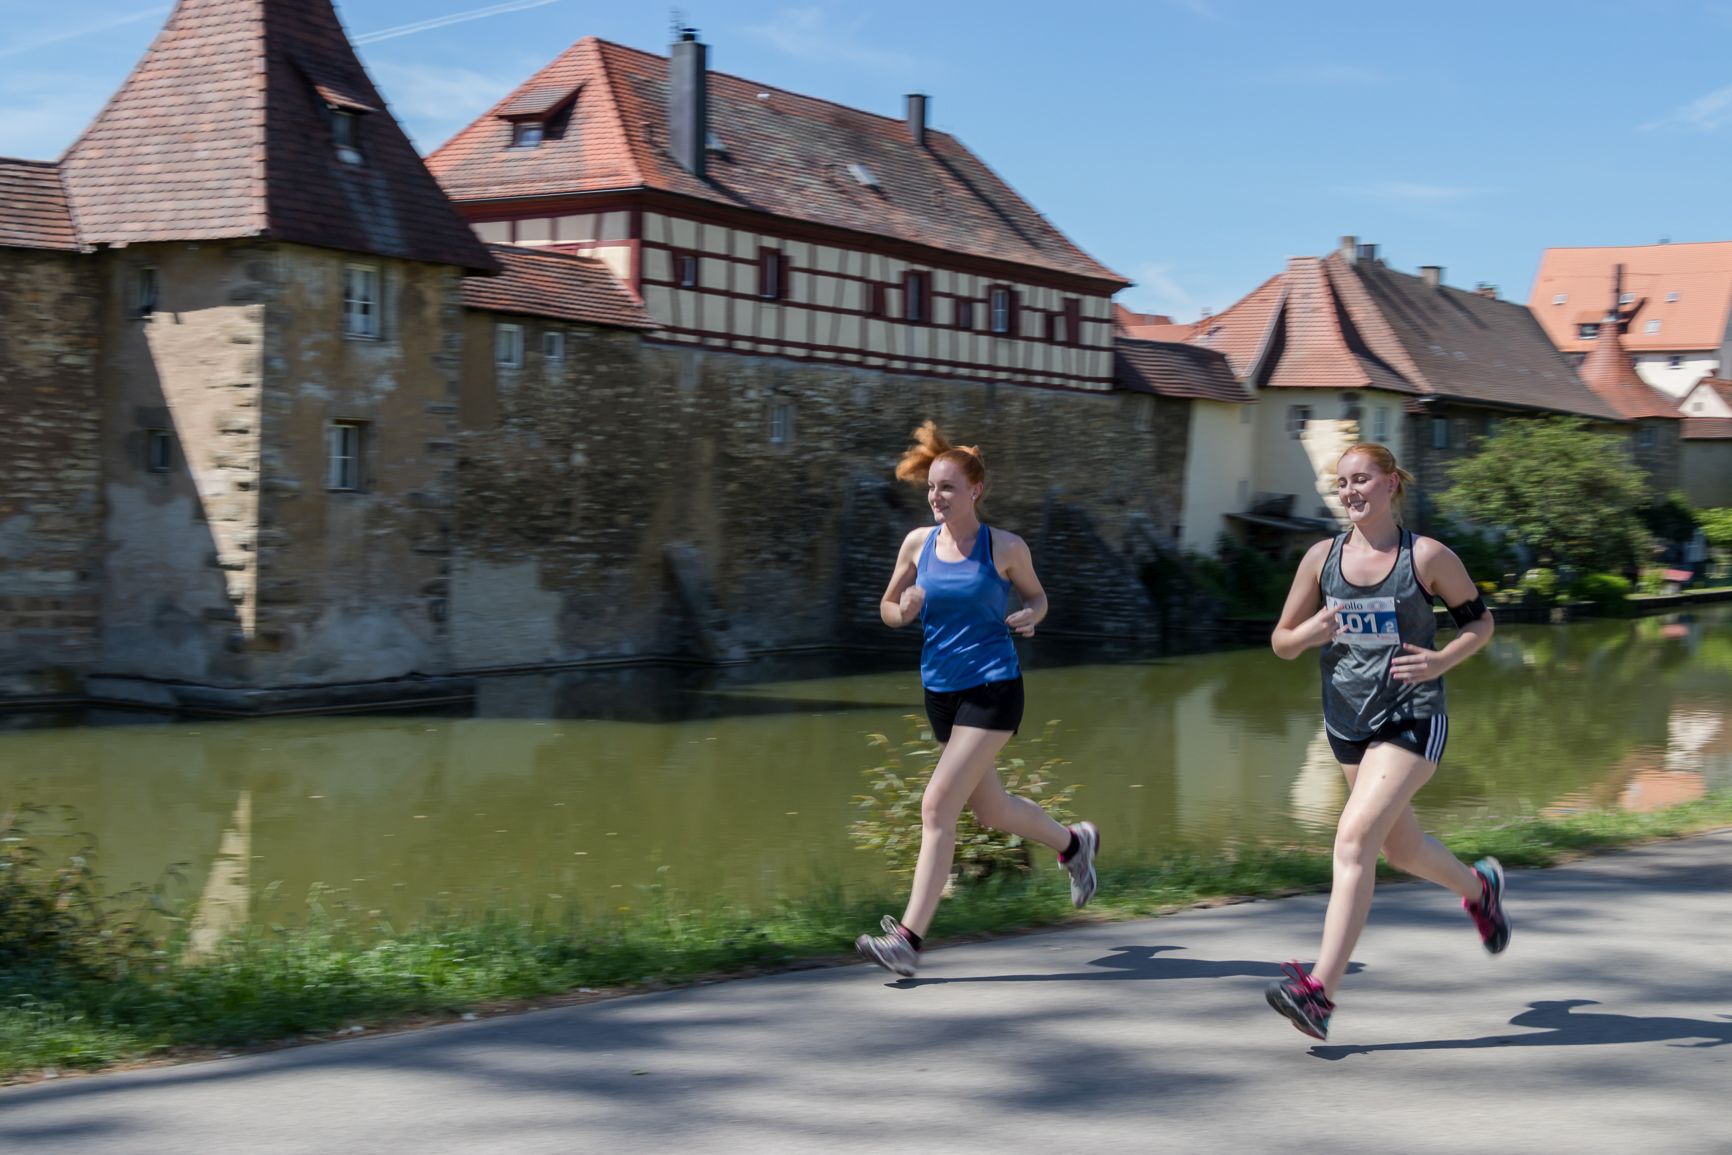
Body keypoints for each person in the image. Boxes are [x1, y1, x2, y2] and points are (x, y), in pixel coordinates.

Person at [1263, 443, 1508, 1040]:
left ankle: (1319, 992)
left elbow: (1480, 622)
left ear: (1392, 483)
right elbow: (1281, 641)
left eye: (1363, 479)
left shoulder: (1426, 556)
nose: (1351, 491)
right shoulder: (1321, 559)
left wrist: (1442, 660)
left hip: (1412, 716)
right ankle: (1480, 889)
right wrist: (1309, 632)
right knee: (1401, 849)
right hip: (1347, 721)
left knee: (1353, 841)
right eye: (1342, 482)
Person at [855, 421, 1100, 978]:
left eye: (947, 487)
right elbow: (887, 608)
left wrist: (1030, 616)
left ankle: (908, 940)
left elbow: (1038, 598)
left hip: (993, 688)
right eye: (931, 488)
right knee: (991, 810)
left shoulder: (1005, 547)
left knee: (937, 805)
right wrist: (903, 611)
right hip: (940, 693)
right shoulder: (917, 544)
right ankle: (1073, 845)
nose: (936, 497)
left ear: (975, 491)